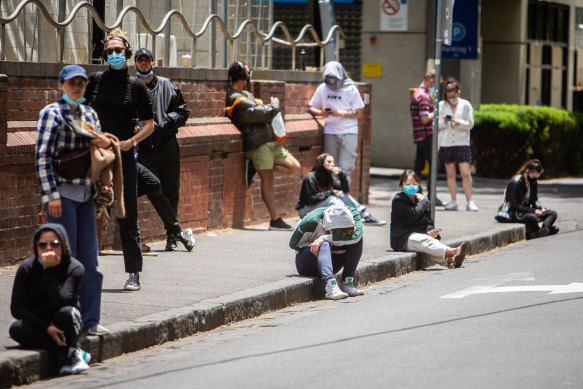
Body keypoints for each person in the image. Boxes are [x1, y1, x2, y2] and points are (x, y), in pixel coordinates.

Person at [35, 64, 112, 336]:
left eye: (81, 83)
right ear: (61, 85)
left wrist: (102, 143)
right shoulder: (51, 114)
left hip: (86, 195)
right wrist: (50, 195)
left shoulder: (90, 114)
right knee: (64, 259)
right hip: (62, 195)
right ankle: (64, 319)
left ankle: (89, 321)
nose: (77, 87)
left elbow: (95, 155)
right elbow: (42, 157)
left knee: (89, 260)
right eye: (71, 83)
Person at [84, 29, 155, 291]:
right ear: (104, 54)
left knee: (127, 215)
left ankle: (134, 272)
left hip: (122, 155)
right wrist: (92, 137)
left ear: (127, 52)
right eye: (110, 51)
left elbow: (150, 124)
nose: (114, 54)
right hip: (96, 154)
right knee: (88, 209)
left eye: (119, 50)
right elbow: (81, 113)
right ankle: (82, 270)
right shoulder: (95, 81)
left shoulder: (136, 86)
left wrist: (131, 142)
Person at [225, 60, 300, 230]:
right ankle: (275, 219)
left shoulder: (247, 95)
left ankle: (257, 165)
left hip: (270, 142)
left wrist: (268, 108)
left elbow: (263, 112)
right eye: (248, 72)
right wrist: (274, 105)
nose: (249, 75)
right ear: (243, 76)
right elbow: (263, 113)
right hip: (258, 144)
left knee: (294, 167)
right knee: (268, 180)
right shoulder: (235, 98)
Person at [133, 48, 195, 252]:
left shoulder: (168, 85)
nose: (143, 64)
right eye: (140, 61)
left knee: (171, 190)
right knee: (153, 188)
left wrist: (164, 123)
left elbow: (182, 112)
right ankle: (176, 228)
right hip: (144, 147)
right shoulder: (130, 87)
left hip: (167, 144)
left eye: (146, 60)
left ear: (153, 63)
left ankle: (171, 237)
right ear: (135, 65)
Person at [10, 224, 90, 376]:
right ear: (36, 247)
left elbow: (63, 302)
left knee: (66, 313)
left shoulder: (74, 268)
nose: (48, 249)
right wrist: (46, 327)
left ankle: (72, 351)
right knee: (16, 329)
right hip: (41, 322)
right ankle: (73, 353)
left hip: (66, 321)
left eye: (54, 244)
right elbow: (17, 308)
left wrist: (49, 271)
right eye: (42, 245)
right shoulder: (26, 268)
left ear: (63, 246)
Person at [390, 169, 467, 269]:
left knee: (427, 242)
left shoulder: (421, 201)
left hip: (418, 235)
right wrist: (422, 202)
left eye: (414, 183)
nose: (411, 186)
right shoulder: (398, 200)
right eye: (407, 183)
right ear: (402, 185)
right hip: (402, 238)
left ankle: (451, 260)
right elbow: (414, 214)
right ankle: (454, 251)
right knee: (423, 240)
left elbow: (427, 222)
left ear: (418, 184)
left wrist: (431, 230)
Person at [289, 204, 364, 300]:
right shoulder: (311, 221)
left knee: (357, 240)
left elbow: (356, 236)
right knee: (324, 244)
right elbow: (293, 243)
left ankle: (347, 283)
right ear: (329, 227)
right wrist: (316, 246)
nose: (342, 237)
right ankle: (331, 286)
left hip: (332, 261)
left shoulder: (353, 214)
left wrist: (324, 238)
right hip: (308, 263)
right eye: (339, 233)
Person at [308, 61, 364, 186]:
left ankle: (344, 195)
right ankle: (332, 194)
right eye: (328, 77)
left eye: (333, 77)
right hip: (330, 131)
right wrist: (321, 113)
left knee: (345, 167)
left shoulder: (350, 88)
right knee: (330, 166)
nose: (331, 80)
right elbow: (311, 107)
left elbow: (358, 112)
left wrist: (339, 113)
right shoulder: (323, 88)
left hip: (348, 131)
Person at [296, 153, 386, 225]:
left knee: (342, 195)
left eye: (333, 162)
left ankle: (365, 215)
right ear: (321, 164)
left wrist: (342, 174)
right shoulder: (310, 178)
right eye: (329, 162)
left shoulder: (329, 176)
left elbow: (345, 191)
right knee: (332, 198)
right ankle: (347, 217)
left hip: (319, 208)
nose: (332, 164)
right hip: (306, 211)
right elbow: (312, 199)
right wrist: (331, 192)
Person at [438, 79, 478, 211]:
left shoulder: (466, 105)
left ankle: (469, 201)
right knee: (450, 174)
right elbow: (437, 125)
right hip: (446, 142)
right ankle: (453, 201)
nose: (451, 99)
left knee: (465, 173)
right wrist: (444, 122)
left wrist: (457, 121)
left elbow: (470, 124)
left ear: (458, 92)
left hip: (462, 142)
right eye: (449, 97)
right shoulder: (441, 105)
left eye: (453, 96)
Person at [410, 70, 443, 206]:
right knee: (435, 165)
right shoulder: (423, 96)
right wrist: (436, 112)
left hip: (420, 135)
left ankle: (416, 193)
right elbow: (424, 119)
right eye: (436, 83)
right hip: (426, 135)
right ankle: (430, 195)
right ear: (431, 80)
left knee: (419, 165)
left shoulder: (417, 93)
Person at [504, 159, 559, 239]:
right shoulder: (516, 182)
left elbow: (534, 200)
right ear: (527, 171)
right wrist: (533, 211)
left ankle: (544, 229)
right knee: (532, 217)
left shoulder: (533, 183)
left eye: (537, 178)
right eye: (533, 177)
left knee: (553, 213)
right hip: (516, 212)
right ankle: (540, 231)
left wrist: (541, 209)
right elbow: (513, 204)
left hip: (527, 210)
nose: (534, 180)